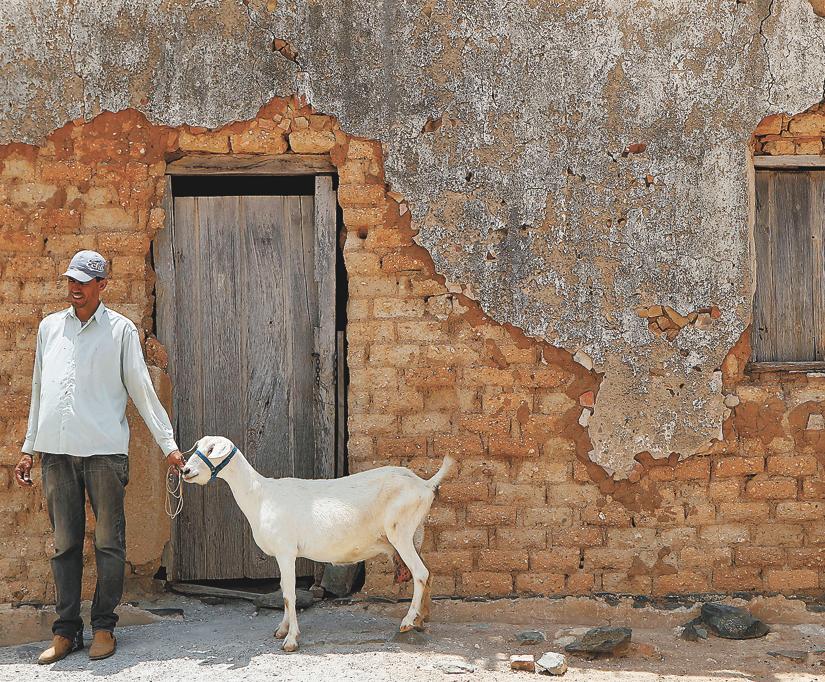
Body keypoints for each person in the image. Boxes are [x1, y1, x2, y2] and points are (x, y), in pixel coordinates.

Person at [13, 249, 184, 664]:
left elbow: (143, 392)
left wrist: (169, 446)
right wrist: (28, 448)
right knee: (64, 545)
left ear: (102, 285)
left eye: (84, 282)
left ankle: (104, 627)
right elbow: (40, 390)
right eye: (71, 280)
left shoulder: (121, 331)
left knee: (109, 544)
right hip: (56, 452)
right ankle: (66, 632)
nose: (75, 288)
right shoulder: (49, 328)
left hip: (104, 454)